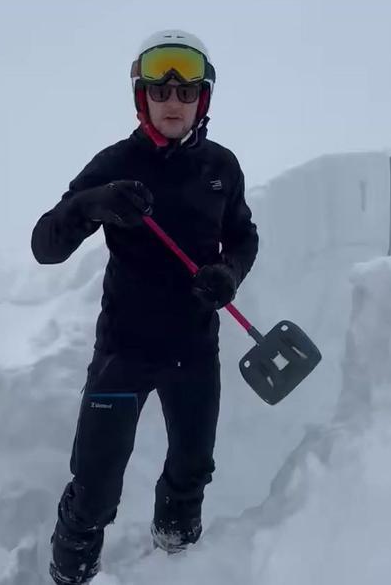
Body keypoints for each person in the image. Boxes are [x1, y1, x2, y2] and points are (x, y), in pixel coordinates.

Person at [31, 30, 259, 584]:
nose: (173, 102)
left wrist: (228, 274)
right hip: (124, 350)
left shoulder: (222, 168)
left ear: (202, 98)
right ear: (142, 97)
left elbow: (243, 237)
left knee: (191, 470)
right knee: (95, 483)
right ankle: (71, 573)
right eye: (160, 91)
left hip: (195, 349)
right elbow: (46, 246)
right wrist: (94, 203)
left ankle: (178, 562)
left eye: (186, 92)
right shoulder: (115, 163)